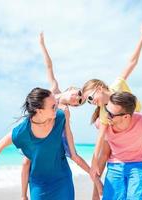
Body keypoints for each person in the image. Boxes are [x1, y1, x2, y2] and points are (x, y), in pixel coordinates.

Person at [82, 24, 142, 199]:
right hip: (124, 129)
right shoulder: (105, 112)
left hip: (137, 121)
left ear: (99, 87)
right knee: (117, 152)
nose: (91, 103)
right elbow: (99, 144)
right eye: (87, 102)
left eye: (90, 98)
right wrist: (93, 165)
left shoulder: (117, 86)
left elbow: (131, 62)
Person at [0, 87, 98, 200]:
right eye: (53, 106)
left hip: (62, 179)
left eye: (56, 104)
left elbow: (71, 144)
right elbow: (2, 144)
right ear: (39, 111)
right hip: (39, 184)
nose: (58, 107)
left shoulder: (60, 116)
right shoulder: (23, 130)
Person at [20, 32, 102, 200]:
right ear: (71, 88)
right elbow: (49, 67)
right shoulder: (53, 91)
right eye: (79, 94)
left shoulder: (64, 111)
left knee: (70, 156)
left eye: (79, 102)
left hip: (54, 140)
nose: (77, 99)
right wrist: (42, 44)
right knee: (26, 161)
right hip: (35, 132)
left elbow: (68, 138)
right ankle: (23, 195)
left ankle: (94, 177)